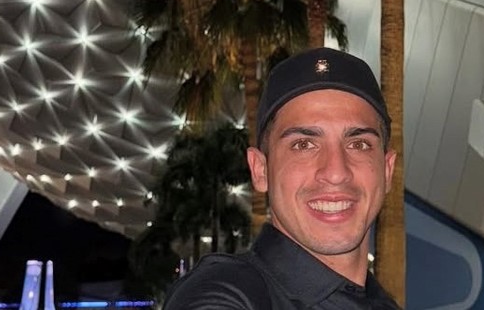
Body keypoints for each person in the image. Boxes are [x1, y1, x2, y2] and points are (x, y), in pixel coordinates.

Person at [164, 47, 401, 309]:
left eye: (358, 144)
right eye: (303, 145)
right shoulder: (225, 293)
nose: (336, 172)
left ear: (387, 170)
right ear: (260, 170)